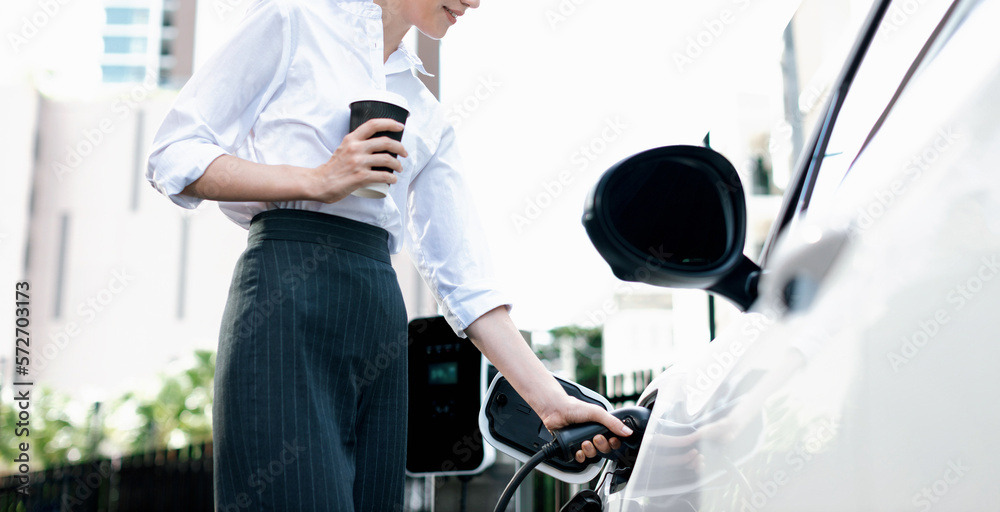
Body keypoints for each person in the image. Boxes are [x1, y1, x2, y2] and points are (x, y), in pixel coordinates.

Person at [146, 0, 631, 509]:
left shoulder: (424, 110)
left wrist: (552, 404)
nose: (476, 2)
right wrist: (317, 180)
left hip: (377, 316)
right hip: (286, 297)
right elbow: (173, 153)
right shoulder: (292, 20)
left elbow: (467, 281)